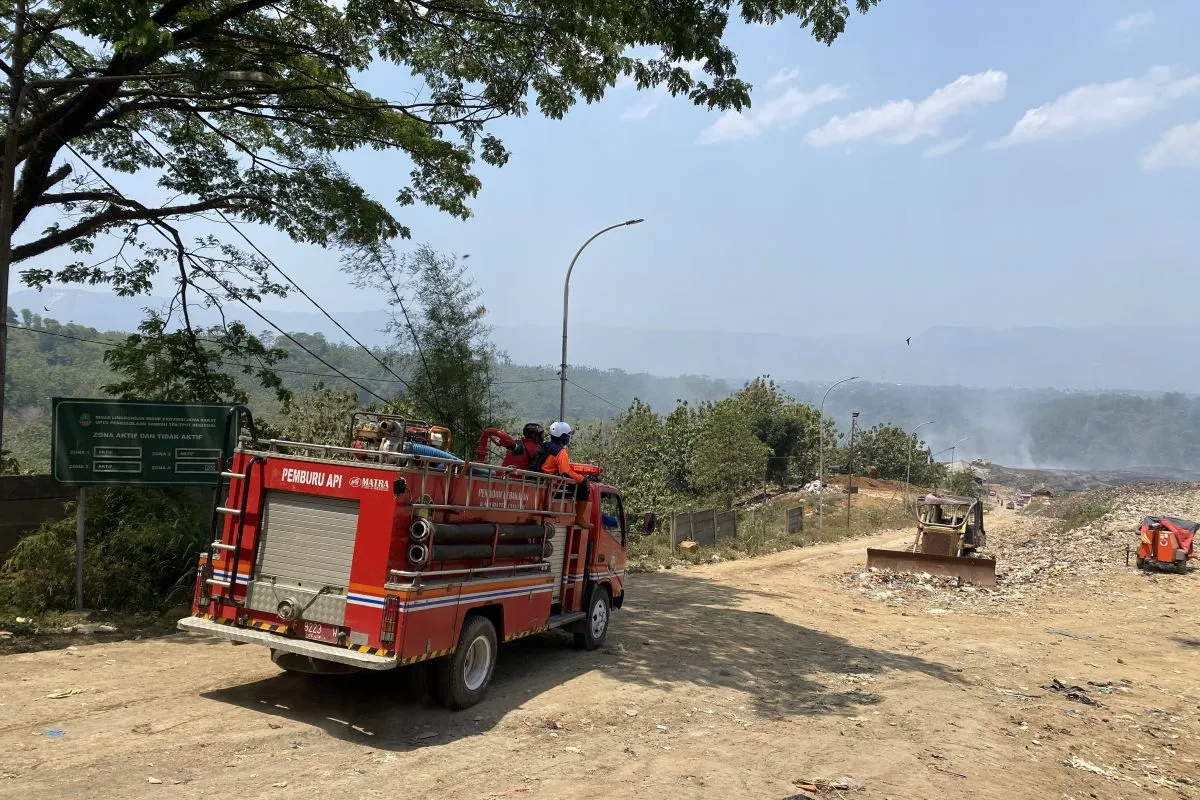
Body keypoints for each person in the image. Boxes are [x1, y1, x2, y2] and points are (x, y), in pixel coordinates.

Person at [535, 421, 592, 529]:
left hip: (540, 482)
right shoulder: (561, 451)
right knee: (584, 485)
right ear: (563, 436)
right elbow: (565, 472)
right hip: (551, 487)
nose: (568, 437)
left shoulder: (544, 445)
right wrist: (581, 478)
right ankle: (579, 518)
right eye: (568, 435)